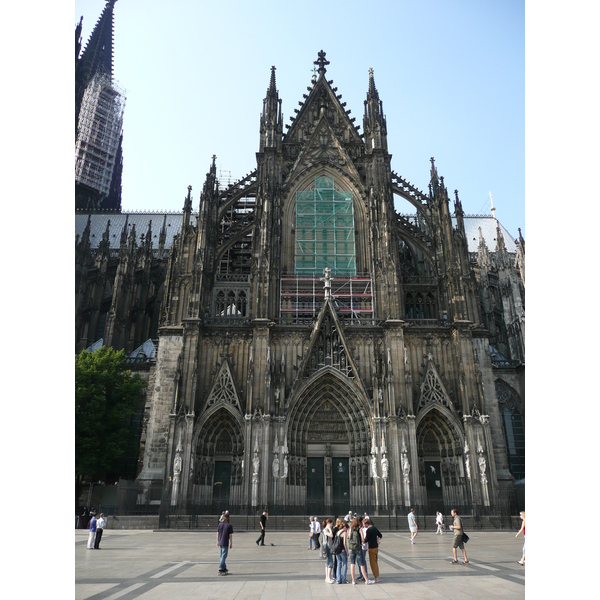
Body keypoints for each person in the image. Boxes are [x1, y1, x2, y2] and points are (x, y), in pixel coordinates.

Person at [348, 517, 374, 585]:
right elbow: (363, 540)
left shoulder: (350, 529)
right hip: (358, 548)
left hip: (351, 548)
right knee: (361, 564)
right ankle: (366, 580)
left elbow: (349, 537)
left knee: (352, 564)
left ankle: (353, 580)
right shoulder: (359, 529)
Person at [363, 517, 382, 583]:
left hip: (371, 548)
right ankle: (377, 577)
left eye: (364, 524)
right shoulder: (375, 528)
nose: (363, 526)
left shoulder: (369, 530)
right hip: (376, 547)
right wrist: (378, 539)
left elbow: (366, 539)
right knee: (375, 562)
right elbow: (380, 535)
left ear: (366, 524)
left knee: (373, 563)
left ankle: (376, 578)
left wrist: (362, 540)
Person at [334, 519, 349, 584]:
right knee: (345, 564)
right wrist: (347, 552)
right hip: (342, 550)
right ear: (345, 527)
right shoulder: (344, 533)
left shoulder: (338, 532)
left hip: (337, 550)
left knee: (338, 564)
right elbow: (344, 543)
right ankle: (343, 579)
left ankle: (338, 579)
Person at [323, 518, 335, 583]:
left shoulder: (326, 530)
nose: (332, 525)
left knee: (328, 562)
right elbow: (331, 535)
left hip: (329, 547)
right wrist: (329, 529)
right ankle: (328, 578)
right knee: (330, 562)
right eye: (331, 524)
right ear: (328, 523)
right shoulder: (325, 530)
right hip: (328, 547)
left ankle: (327, 577)